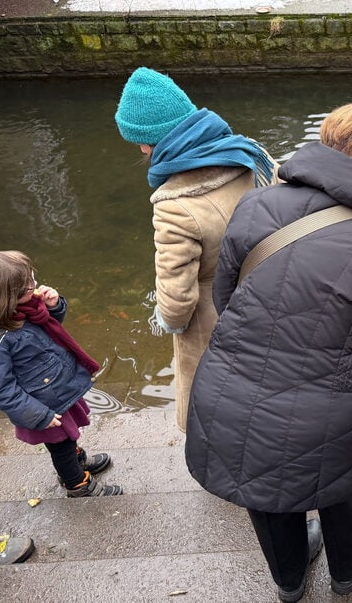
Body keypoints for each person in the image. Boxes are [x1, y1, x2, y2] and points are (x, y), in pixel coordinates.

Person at [184, 102, 352, 602]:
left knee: (268, 495)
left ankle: (290, 581)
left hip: (231, 395)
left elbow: (226, 302)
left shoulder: (254, 205)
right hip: (332, 412)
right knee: (343, 489)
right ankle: (348, 571)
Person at [114, 66, 275, 433]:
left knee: (214, 402)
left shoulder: (174, 204)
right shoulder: (249, 154)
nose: (140, 150)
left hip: (215, 318)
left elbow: (177, 297)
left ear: (155, 140)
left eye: (141, 141)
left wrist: (166, 322)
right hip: (267, 295)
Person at [0, 251, 122, 498]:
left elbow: (45, 331)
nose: (34, 285)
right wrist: (38, 415)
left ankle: (75, 460)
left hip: (54, 386)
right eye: (26, 286)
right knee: (60, 444)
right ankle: (78, 484)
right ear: (3, 296)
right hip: (40, 403)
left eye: (31, 277)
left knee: (67, 438)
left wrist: (53, 306)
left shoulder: (17, 309)